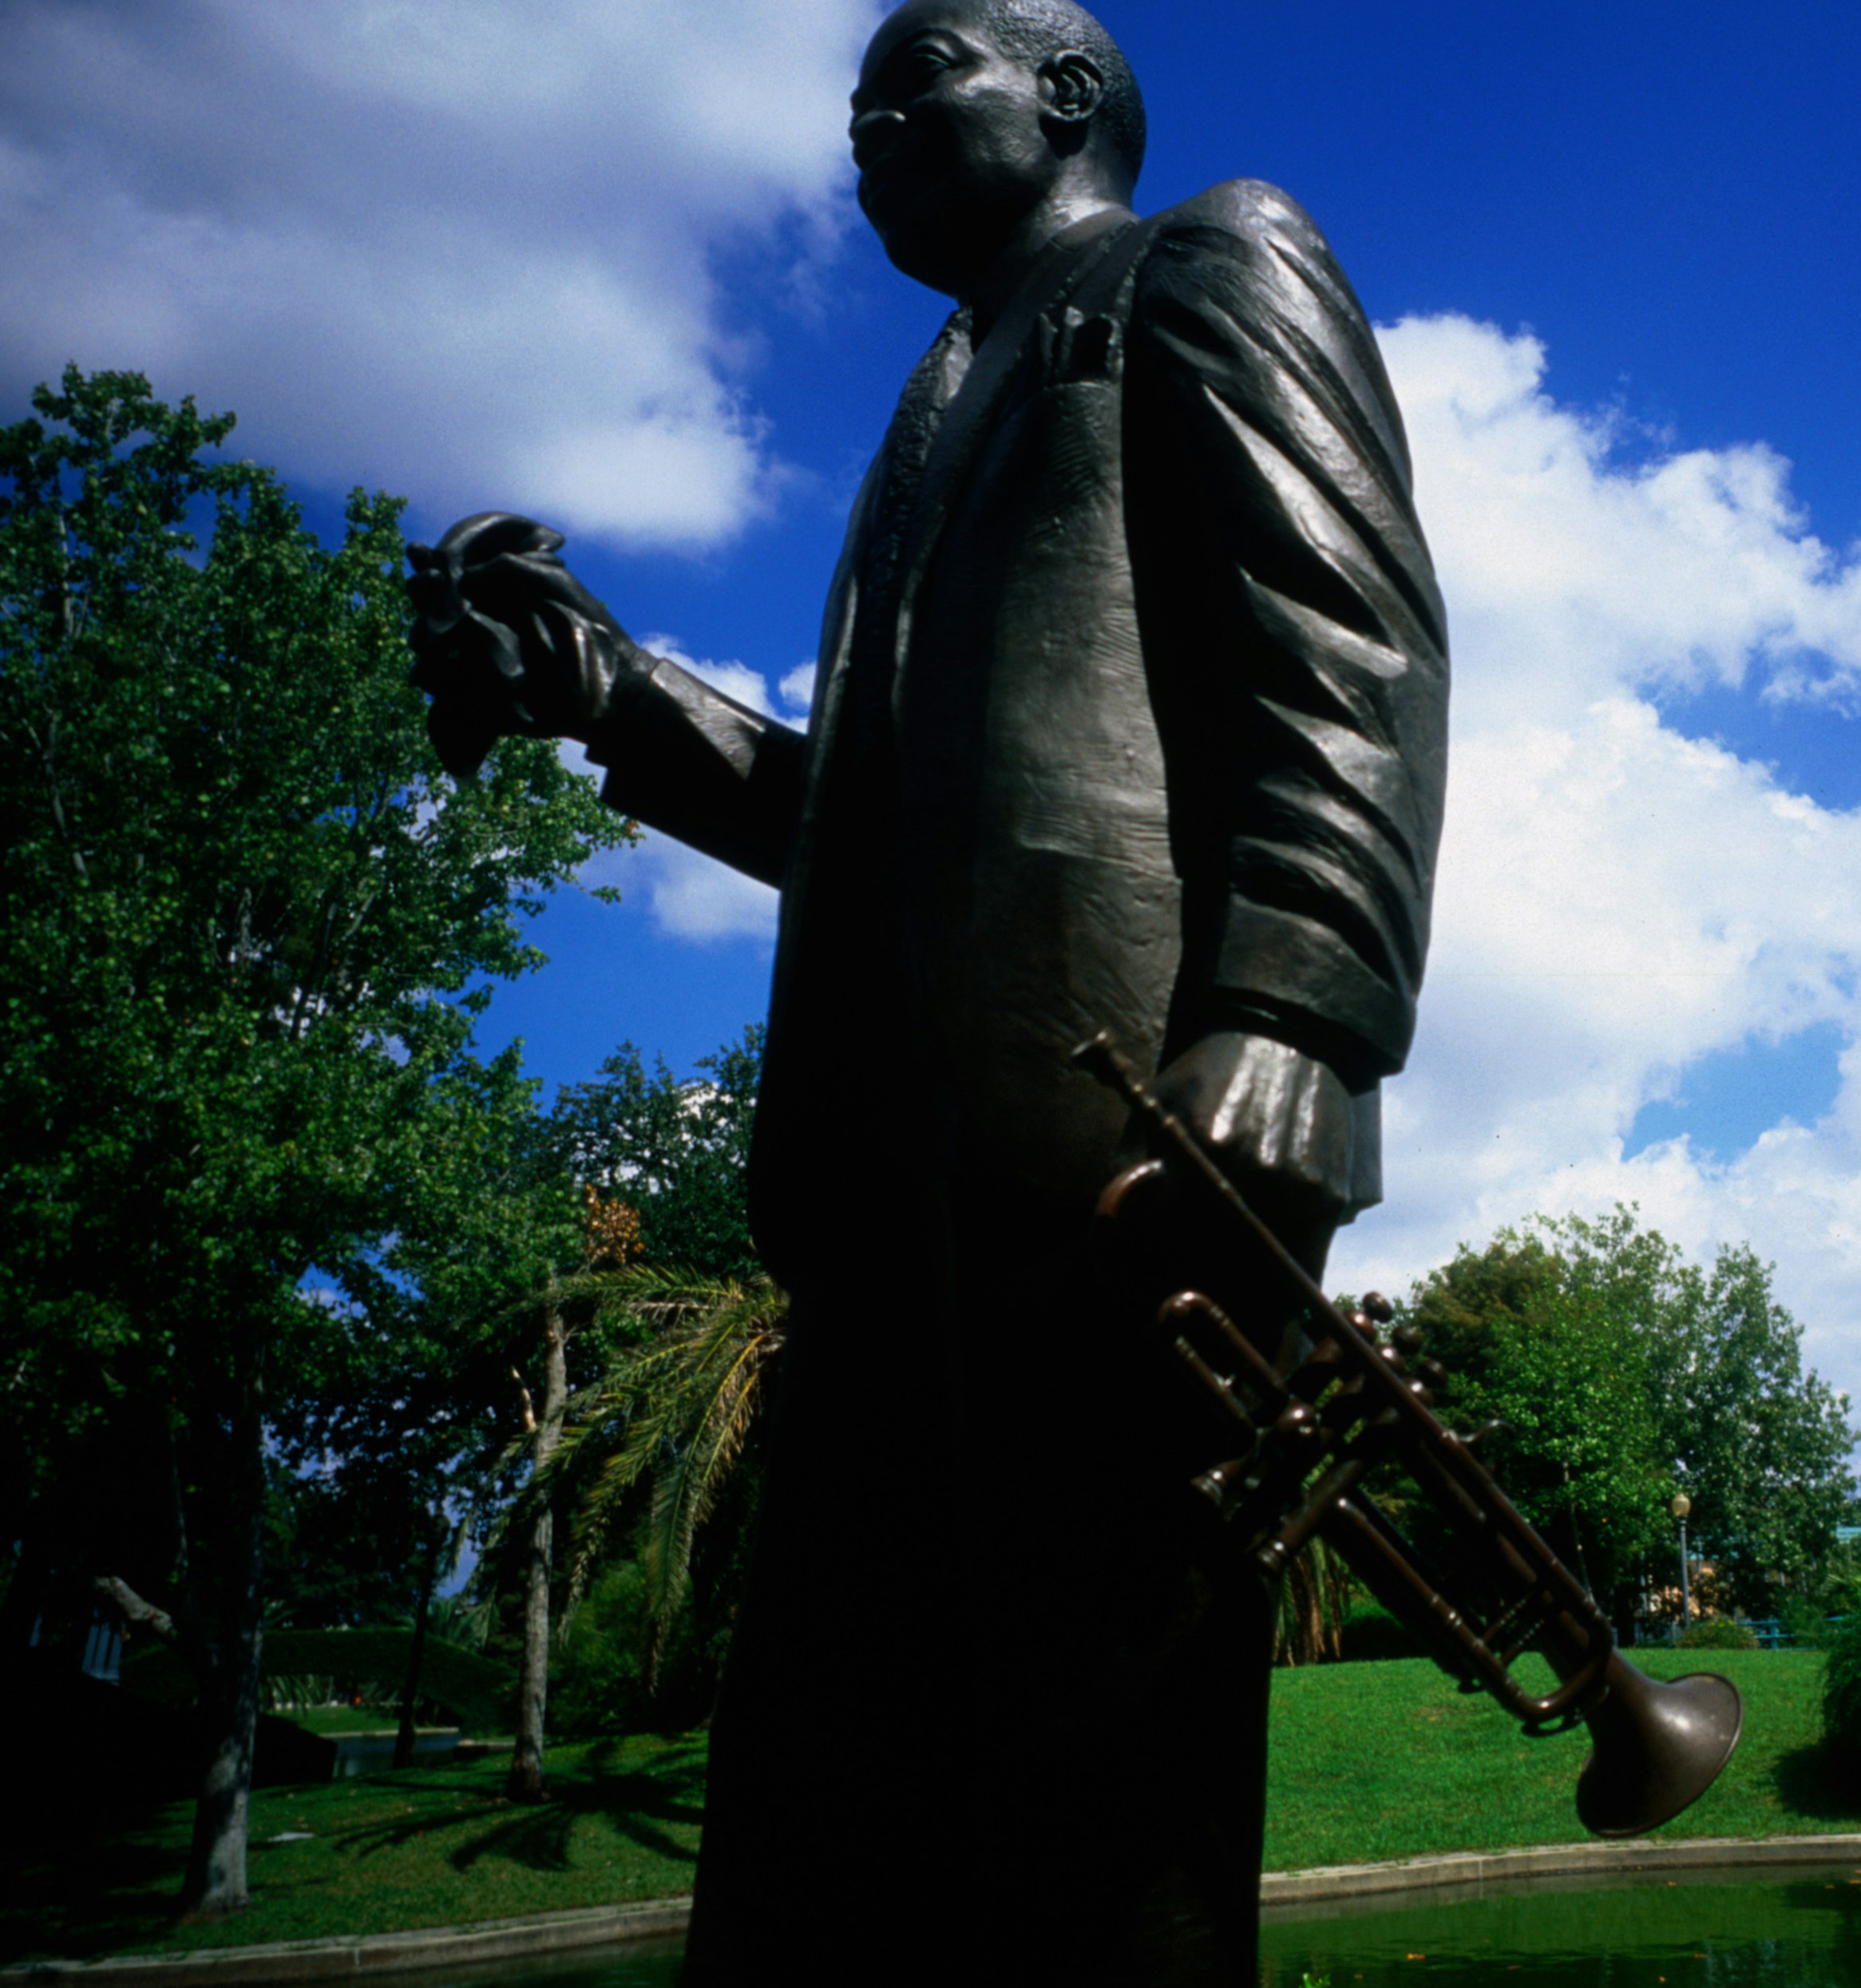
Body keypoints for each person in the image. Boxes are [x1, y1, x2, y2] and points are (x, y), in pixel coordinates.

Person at [404, 3, 1447, 1978]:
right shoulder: (932, 404)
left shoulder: (1207, 256)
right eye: (855, 89)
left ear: (1066, 92)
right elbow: (861, 822)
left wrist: (1299, 1015)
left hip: (1141, 1144)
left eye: (921, 67)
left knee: (1100, 1806)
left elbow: (1350, 648)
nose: (865, 113)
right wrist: (611, 691)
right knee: (831, 1796)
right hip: (885, 1189)